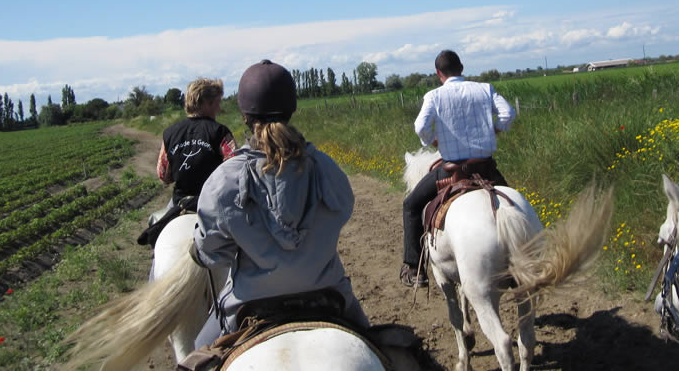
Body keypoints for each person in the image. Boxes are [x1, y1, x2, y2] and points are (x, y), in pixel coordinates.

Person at [190, 60, 370, 342]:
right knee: (380, 347)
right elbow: (343, 210)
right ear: (291, 110)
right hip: (327, 291)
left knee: (198, 348)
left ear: (244, 116)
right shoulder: (325, 167)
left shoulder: (224, 179)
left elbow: (212, 253)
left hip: (248, 302)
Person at [401, 49, 515, 287]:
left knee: (411, 205)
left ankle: (415, 268)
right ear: (462, 68)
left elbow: (420, 126)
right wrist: (495, 130)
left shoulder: (434, 96)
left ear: (438, 73)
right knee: (513, 205)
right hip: (486, 168)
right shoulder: (485, 89)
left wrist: (434, 141)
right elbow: (508, 113)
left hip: (451, 171)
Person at [157, 78, 238, 208]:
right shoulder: (220, 132)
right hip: (213, 203)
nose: (219, 108)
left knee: (158, 220)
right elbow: (235, 167)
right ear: (206, 103)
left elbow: (163, 175)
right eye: (217, 103)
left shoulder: (169, 133)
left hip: (180, 202)